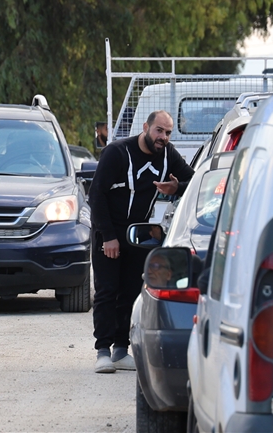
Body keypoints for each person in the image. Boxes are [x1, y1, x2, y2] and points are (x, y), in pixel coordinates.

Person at [87, 109, 194, 373]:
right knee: (107, 290)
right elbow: (96, 195)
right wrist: (109, 237)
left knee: (131, 291)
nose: (163, 137)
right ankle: (103, 350)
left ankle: (121, 350)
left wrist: (175, 188)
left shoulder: (168, 155)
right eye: (159, 130)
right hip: (108, 230)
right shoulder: (117, 152)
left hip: (139, 233)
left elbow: (194, 180)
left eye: (168, 132)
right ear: (146, 127)